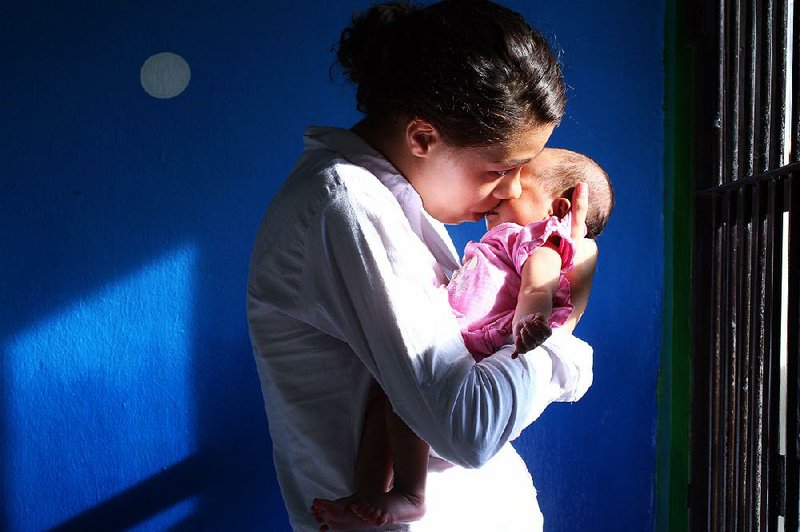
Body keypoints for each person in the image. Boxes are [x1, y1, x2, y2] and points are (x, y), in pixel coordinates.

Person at [246, 1, 599, 530]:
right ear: (422, 137)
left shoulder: (402, 209)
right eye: (500, 169)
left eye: (523, 170)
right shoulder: (350, 209)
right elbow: (468, 428)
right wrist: (561, 338)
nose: (513, 191)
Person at [312, 148, 613, 528]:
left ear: (556, 209)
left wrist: (531, 319)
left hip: (479, 349)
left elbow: (539, 281)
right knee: (386, 408)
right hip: (461, 347)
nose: (505, 188)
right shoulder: (504, 240)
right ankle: (369, 494)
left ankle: (408, 493)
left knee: (400, 411)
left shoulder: (540, 238)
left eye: (519, 180)